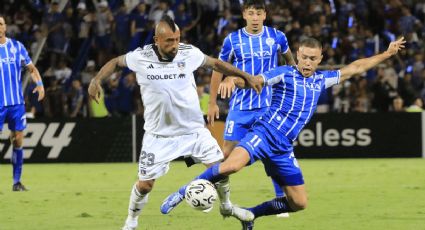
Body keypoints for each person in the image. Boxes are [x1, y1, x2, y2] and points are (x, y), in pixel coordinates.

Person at [164, 37, 406, 229]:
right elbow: (255, 80)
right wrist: (233, 81)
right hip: (264, 133)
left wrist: (386, 54)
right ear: (297, 56)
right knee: (230, 166)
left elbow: (356, 68)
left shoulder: (321, 80)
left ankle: (250, 214)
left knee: (299, 203)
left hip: (284, 147)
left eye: (313, 58)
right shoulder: (285, 73)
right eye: (304, 57)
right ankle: (183, 191)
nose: (307, 63)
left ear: (320, 58)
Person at [87, 15, 261, 230]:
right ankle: (131, 222)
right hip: (158, 135)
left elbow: (216, 64)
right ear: (156, 40)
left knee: (220, 170)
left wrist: (247, 76)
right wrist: (96, 80)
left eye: (177, 39)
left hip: (194, 131)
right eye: (169, 40)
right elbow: (115, 62)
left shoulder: (189, 53)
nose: (175, 45)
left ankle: (225, 206)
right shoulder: (140, 57)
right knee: (145, 185)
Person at [208, 0, 296, 217]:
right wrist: (212, 102)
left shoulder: (277, 37)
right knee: (226, 154)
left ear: (265, 15)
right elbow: (217, 69)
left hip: (268, 106)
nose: (255, 17)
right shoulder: (233, 40)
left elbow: (291, 65)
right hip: (240, 107)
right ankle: (215, 195)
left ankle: (280, 199)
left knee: (273, 151)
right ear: (244, 15)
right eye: (251, 13)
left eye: (259, 13)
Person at [0, 15, 45, 191]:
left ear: (5, 27)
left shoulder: (16, 47)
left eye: (1, 24)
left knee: (18, 140)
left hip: (16, 104)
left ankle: (16, 182)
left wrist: (40, 85)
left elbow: (32, 69)